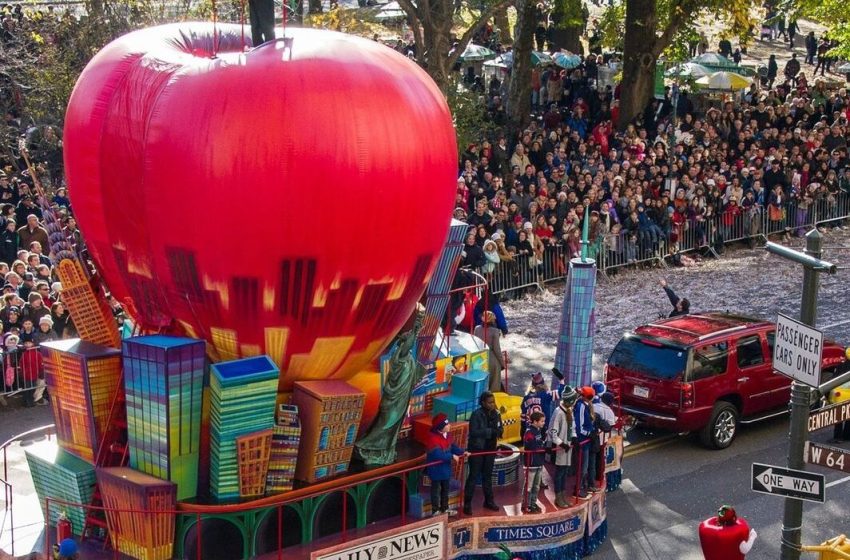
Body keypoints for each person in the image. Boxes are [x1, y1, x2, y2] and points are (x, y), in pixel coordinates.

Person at [464, 391, 503, 515]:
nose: (492, 404)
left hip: (490, 450)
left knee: (488, 476)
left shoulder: (496, 414)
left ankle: (489, 501)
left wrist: (498, 432)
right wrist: (490, 432)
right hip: (477, 449)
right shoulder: (476, 415)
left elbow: (500, 428)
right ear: (483, 403)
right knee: (473, 476)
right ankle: (467, 504)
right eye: (490, 402)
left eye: (493, 402)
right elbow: (474, 432)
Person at [425, 413, 467, 516]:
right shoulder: (432, 439)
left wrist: (462, 452)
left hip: (445, 469)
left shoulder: (448, 435)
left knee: (445, 490)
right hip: (436, 470)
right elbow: (438, 455)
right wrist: (452, 456)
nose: (450, 426)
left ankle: (445, 509)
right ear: (441, 427)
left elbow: (453, 447)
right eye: (447, 425)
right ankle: (435, 511)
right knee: (435, 491)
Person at [548, 386, 578, 507]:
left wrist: (574, 437)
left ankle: (563, 496)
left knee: (565, 472)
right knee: (559, 473)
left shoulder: (569, 410)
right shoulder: (559, 412)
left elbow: (573, 427)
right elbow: (553, 432)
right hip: (560, 448)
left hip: (568, 447)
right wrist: (562, 443)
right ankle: (558, 497)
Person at [473, 311, 505, 393]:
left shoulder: (477, 328)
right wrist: (502, 363)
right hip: (490, 357)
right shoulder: (495, 331)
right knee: (494, 381)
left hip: (478, 357)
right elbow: (497, 349)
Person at [573, 386, 596, 497]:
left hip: (586, 441)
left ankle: (580, 486)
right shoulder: (581, 406)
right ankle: (577, 489)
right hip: (583, 441)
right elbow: (579, 427)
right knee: (583, 467)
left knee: (584, 466)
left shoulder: (584, 405)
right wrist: (589, 433)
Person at [522, 411, 546, 514]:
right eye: (542, 421)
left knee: (536, 486)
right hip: (531, 463)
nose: (543, 423)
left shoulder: (538, 431)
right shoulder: (529, 432)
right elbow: (531, 446)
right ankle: (526, 505)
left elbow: (539, 444)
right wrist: (542, 447)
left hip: (539, 462)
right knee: (529, 486)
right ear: (535, 421)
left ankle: (533, 503)